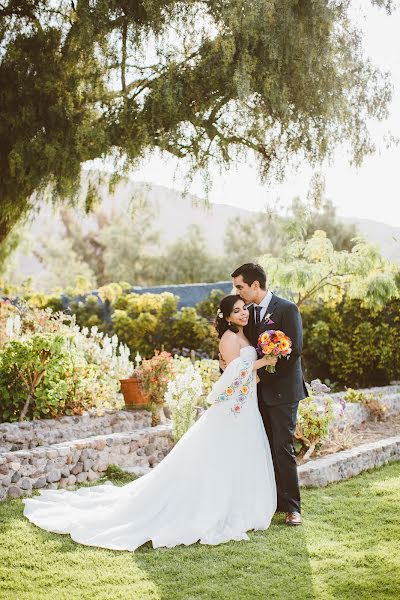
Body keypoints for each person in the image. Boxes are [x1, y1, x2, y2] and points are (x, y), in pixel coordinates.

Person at [23, 295, 277, 552]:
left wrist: (261, 364)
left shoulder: (245, 335)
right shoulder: (229, 338)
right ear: (227, 317)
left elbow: (244, 374)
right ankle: (213, 506)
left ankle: (238, 505)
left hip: (244, 405)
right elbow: (235, 373)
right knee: (219, 456)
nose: (243, 313)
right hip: (231, 409)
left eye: (243, 308)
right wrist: (263, 362)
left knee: (238, 454)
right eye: (236, 311)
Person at [230, 263, 309, 526]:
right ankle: (272, 500)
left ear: (255, 285)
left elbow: (293, 350)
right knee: (264, 447)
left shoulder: (287, 309)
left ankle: (292, 508)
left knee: (282, 447)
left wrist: (264, 375)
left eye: (239, 286)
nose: (237, 291)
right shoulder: (248, 314)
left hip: (284, 391)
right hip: (257, 393)